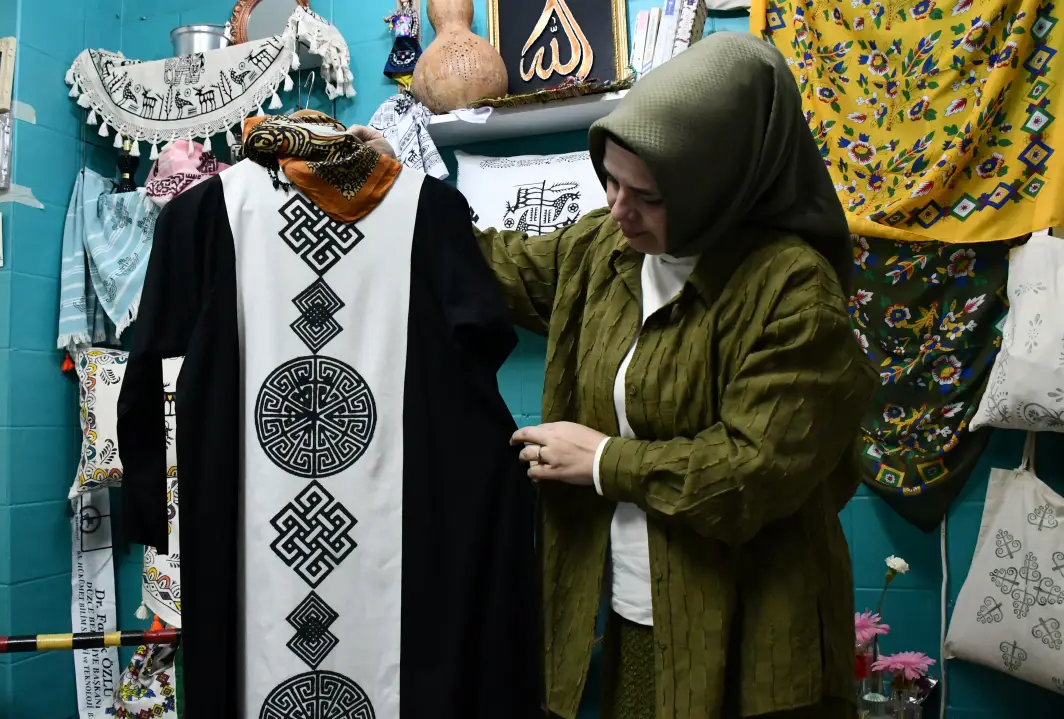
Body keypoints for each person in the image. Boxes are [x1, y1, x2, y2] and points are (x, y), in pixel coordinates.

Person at [352, 33, 874, 719]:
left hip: (752, 640)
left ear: (720, 185)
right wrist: (397, 195)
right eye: (611, 180)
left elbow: (752, 472)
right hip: (634, 611)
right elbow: (501, 268)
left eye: (648, 196)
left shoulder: (794, 294)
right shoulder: (606, 247)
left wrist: (602, 461)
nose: (620, 209)